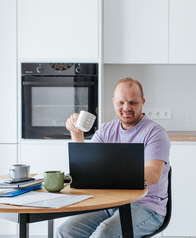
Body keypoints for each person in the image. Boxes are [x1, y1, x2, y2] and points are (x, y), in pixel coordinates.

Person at [56, 78, 171, 238]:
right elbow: (85, 168)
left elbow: (152, 174)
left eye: (133, 102)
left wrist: (107, 173)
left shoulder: (155, 133)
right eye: (121, 102)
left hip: (146, 206)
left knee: (104, 234)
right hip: (109, 202)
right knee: (64, 231)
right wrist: (77, 134)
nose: (126, 108)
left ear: (143, 102)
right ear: (113, 102)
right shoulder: (105, 130)